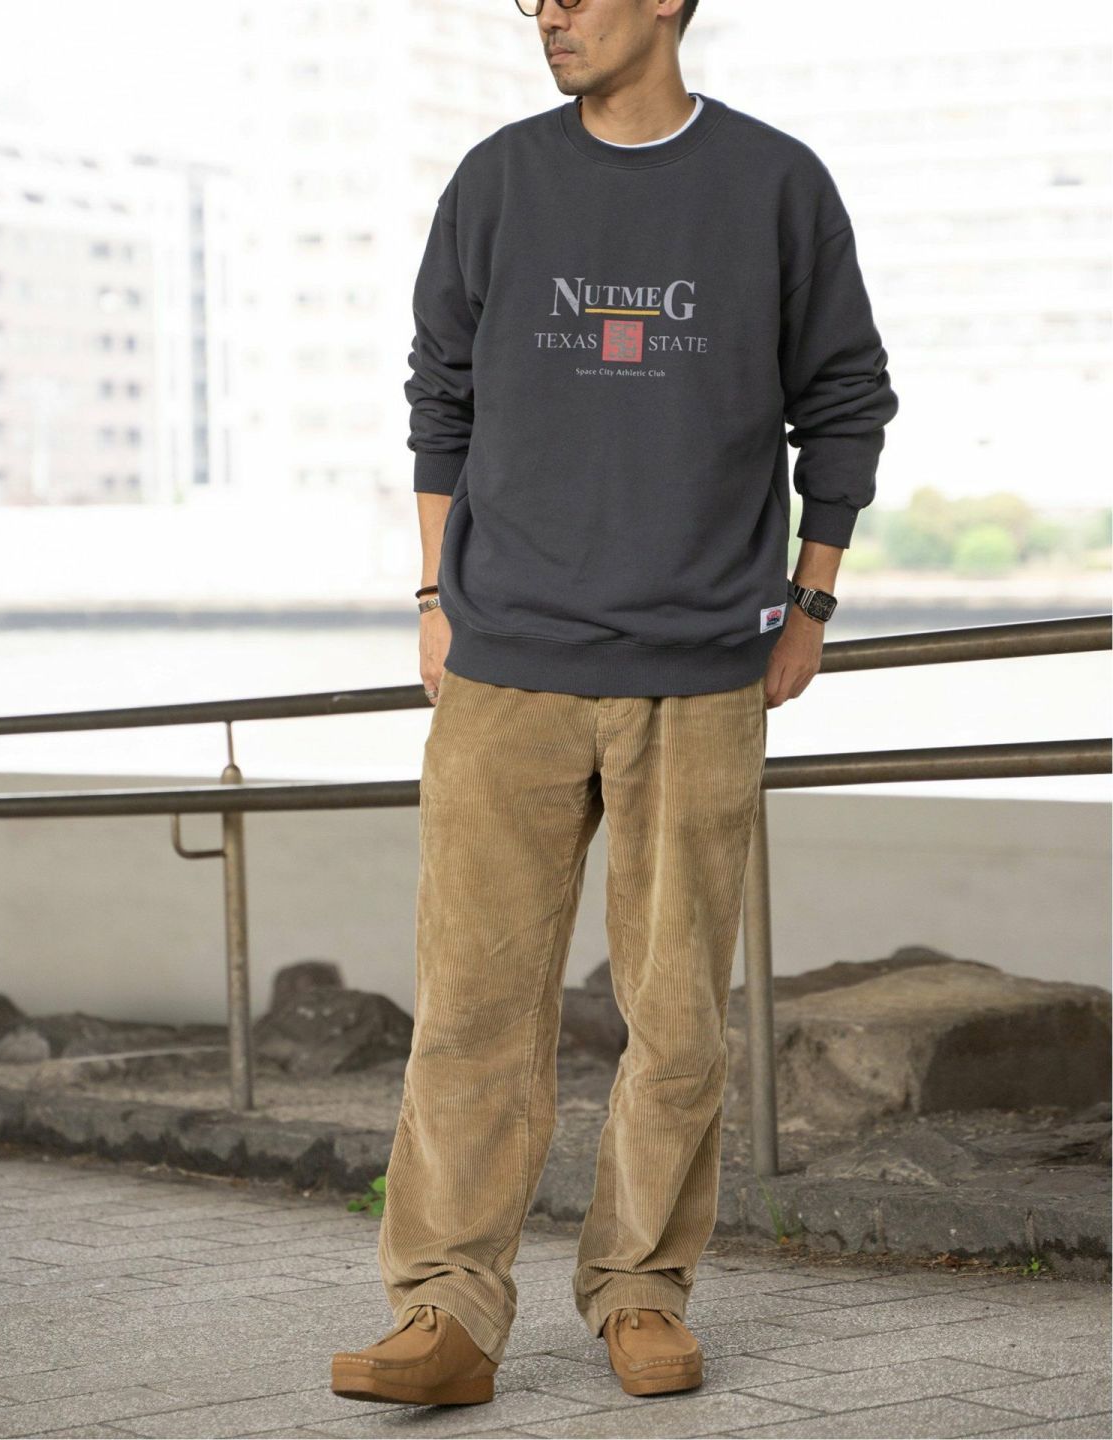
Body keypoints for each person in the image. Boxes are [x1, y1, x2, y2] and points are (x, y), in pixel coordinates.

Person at [331, 0, 897, 1408]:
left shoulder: (775, 184)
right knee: (470, 1008)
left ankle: (642, 1291)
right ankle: (446, 1311)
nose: (549, 12)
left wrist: (812, 601)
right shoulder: (498, 179)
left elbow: (845, 397)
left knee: (677, 1016)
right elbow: (441, 394)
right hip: (507, 665)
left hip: (699, 669)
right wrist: (434, 595)